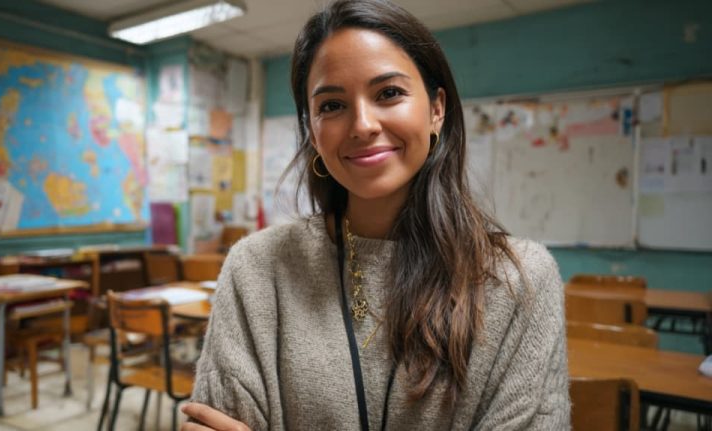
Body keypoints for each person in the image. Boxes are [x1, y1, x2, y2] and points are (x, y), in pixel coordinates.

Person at [181, 0, 570, 429]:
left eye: (389, 93)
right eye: (331, 105)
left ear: (437, 109)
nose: (363, 125)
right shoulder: (257, 268)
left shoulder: (519, 281)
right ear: (312, 130)